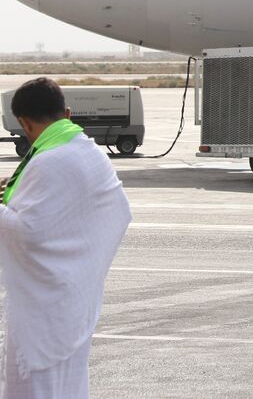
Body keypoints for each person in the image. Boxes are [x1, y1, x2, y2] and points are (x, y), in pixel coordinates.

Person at [0, 77, 132, 399]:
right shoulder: (88, 150)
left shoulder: (47, 160)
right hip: (74, 296)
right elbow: (118, 209)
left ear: (24, 123)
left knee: (34, 387)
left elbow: (28, 231)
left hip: (43, 308)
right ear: (68, 113)